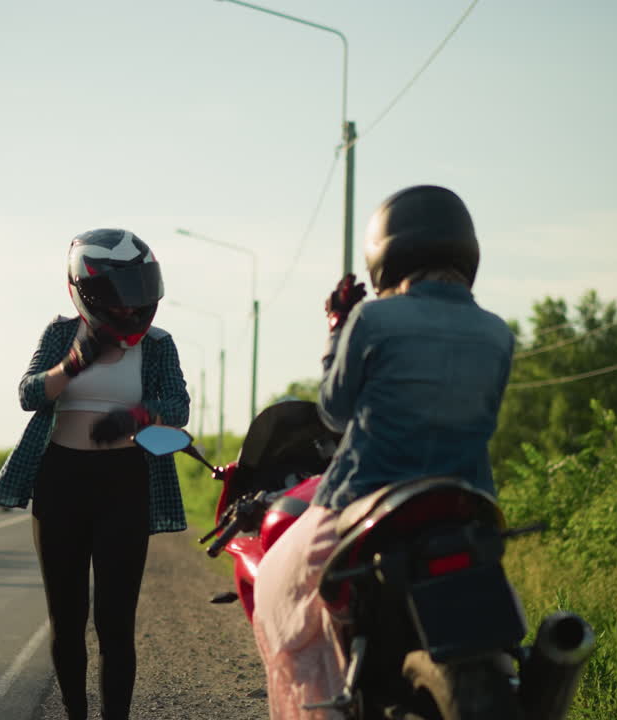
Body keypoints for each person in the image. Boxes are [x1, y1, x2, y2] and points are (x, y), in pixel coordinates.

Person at [250, 185, 516, 718]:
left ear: (385, 255)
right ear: (467, 252)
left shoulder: (372, 320)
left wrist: (338, 331)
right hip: (465, 500)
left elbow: (333, 412)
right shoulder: (497, 332)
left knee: (276, 593)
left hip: (365, 497)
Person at [0, 228, 191, 720]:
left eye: (138, 295)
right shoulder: (60, 333)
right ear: (87, 290)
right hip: (61, 481)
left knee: (116, 623)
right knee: (67, 620)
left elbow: (178, 406)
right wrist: (72, 365)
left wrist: (139, 417)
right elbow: (28, 394)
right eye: (118, 298)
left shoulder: (159, 344)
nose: (128, 309)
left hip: (125, 482)